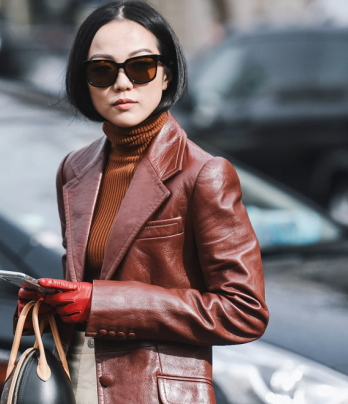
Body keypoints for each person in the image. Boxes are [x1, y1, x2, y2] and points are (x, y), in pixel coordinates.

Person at [14, 2, 269, 403]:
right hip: (79, 380)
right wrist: (55, 307)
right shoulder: (75, 169)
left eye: (140, 67)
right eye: (103, 70)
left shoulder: (204, 174)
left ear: (166, 74)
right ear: (85, 81)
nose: (122, 84)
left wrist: (102, 303)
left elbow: (244, 311)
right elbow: (90, 285)